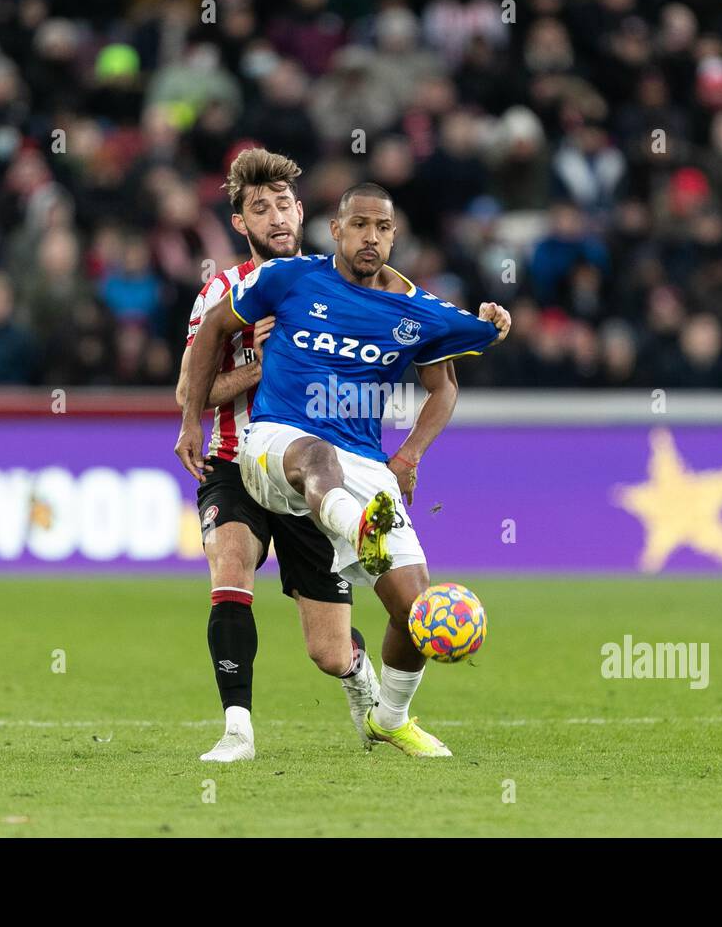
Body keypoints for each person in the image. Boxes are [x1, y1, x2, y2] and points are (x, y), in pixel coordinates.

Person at [177, 182, 511, 757]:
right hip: (266, 446)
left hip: (362, 467)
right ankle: (237, 729)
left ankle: (389, 716)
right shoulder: (283, 279)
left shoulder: (417, 310)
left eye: (382, 228)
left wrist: (409, 454)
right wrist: (190, 422)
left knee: (409, 613)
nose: (370, 237)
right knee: (271, 511)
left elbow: (447, 382)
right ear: (335, 229)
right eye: (359, 225)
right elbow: (210, 335)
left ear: (394, 235)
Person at [174, 148, 375, 763]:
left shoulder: (335, 287)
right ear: (241, 223)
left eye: (284, 205)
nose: (277, 217)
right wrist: (259, 365)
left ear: (301, 210)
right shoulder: (221, 293)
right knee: (230, 565)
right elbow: (190, 392)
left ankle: (358, 671)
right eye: (260, 209)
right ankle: (237, 729)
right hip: (233, 462)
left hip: (304, 471)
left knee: (328, 653)